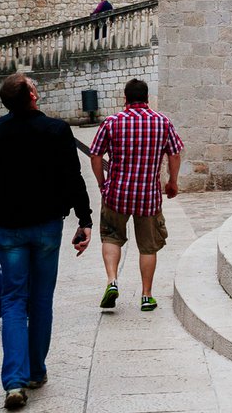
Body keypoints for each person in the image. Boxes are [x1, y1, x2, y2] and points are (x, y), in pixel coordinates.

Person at [0, 73, 93, 409]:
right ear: (33, 95)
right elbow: (72, 178)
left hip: (10, 228)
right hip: (47, 227)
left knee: (12, 301)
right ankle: (36, 370)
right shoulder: (56, 130)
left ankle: (14, 381)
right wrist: (84, 220)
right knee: (40, 300)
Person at [87, 78, 183, 313]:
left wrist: (102, 183)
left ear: (125, 98)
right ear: (147, 98)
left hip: (116, 194)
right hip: (147, 196)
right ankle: (147, 295)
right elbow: (175, 154)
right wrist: (172, 182)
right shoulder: (162, 122)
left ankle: (112, 281)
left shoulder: (112, 122)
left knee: (111, 237)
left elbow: (95, 155)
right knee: (148, 247)